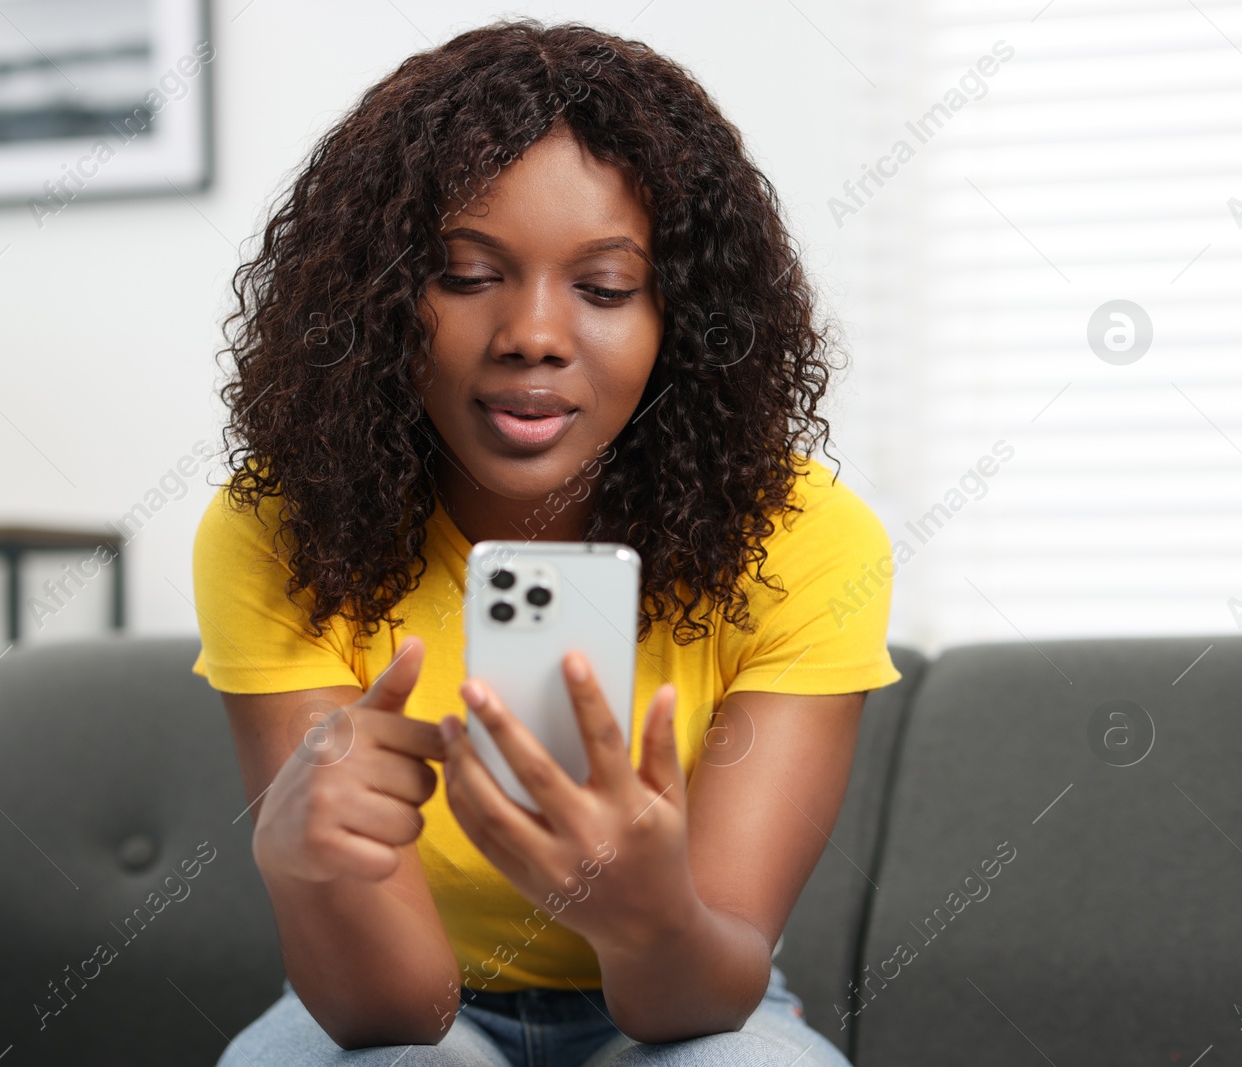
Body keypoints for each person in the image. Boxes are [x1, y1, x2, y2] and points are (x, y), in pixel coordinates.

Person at [190, 18, 902, 1067]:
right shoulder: (281, 529)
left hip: (682, 1000)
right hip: (420, 1005)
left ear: (684, 318)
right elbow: (390, 1015)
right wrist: (308, 866)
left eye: (605, 288)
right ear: (383, 301)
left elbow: (705, 987)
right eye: (468, 275)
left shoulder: (802, 539)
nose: (532, 332)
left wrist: (644, 914)